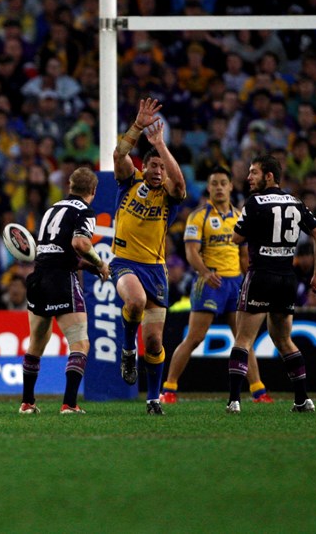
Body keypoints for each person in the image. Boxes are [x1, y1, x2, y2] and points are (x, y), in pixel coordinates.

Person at [160, 166, 274, 405]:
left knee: (244, 339)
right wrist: (205, 273)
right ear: (209, 188)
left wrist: (248, 279)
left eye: (223, 183)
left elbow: (244, 254)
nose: (219, 187)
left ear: (231, 186)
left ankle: (259, 392)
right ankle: (169, 389)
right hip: (210, 282)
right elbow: (191, 251)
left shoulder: (240, 216)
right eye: (214, 183)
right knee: (195, 338)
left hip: (236, 284)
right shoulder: (198, 216)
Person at [227, 154, 316, 414]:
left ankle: (234, 400)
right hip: (286, 279)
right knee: (283, 340)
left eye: (254, 172)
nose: (249, 177)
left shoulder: (255, 202)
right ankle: (302, 399)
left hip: (260, 275)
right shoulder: (296, 202)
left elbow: (236, 238)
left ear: (269, 176)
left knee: (243, 338)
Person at [112, 98, 187, 415]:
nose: (158, 171)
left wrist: (160, 145)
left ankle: (153, 399)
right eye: (153, 165)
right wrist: (138, 126)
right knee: (136, 301)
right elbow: (119, 154)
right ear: (144, 167)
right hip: (124, 262)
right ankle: (128, 348)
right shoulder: (129, 181)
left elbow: (179, 184)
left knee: (155, 342)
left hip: (155, 270)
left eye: (162, 167)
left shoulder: (169, 196)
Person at [19, 167, 110, 415]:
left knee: (36, 343)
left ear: (70, 186)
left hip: (38, 278)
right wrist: (100, 263)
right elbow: (80, 243)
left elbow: (55, 251)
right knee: (80, 343)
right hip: (61, 280)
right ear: (93, 190)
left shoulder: (52, 209)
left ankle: (27, 403)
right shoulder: (85, 211)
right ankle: (69, 404)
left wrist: (88, 267)